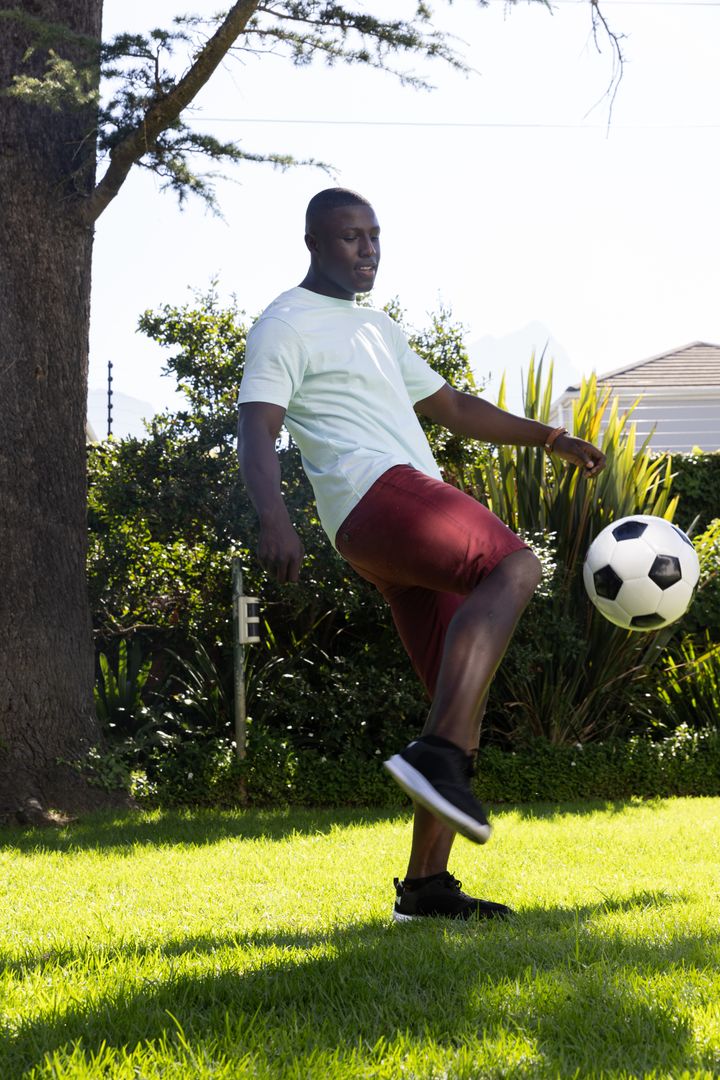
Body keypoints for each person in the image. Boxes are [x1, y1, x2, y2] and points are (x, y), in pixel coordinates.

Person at [237, 187, 606, 923]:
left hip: (390, 531)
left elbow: (456, 409)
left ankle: (426, 889)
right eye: (350, 237)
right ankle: (434, 757)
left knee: (456, 694)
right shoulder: (284, 324)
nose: (368, 249)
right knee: (516, 565)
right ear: (313, 243)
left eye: (374, 236)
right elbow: (256, 429)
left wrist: (550, 437)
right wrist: (275, 520)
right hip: (376, 495)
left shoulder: (378, 328)